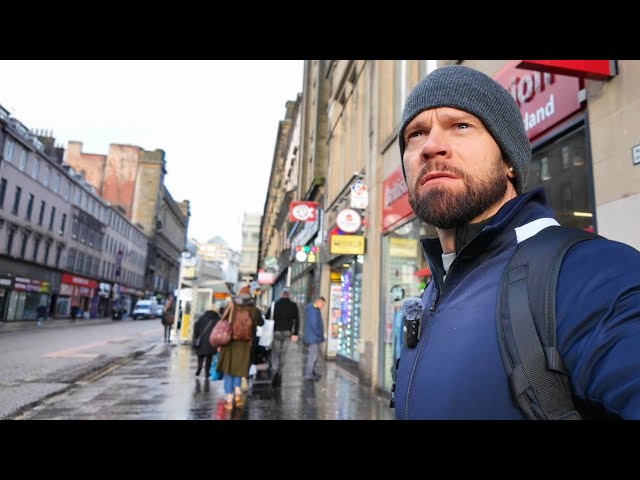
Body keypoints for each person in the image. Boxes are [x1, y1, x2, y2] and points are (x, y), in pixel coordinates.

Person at [393, 65, 640, 420]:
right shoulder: (434, 290)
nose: (431, 146)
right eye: (416, 134)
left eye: (461, 126)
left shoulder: (590, 274)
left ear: (509, 159)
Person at [216, 292, 263, 410]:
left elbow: (223, 321)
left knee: (228, 369)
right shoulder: (254, 311)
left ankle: (229, 398)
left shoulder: (231, 307)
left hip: (229, 343)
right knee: (239, 368)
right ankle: (237, 391)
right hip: (245, 344)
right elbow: (261, 323)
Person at [264, 289, 299, 387]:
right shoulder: (293, 305)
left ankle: (274, 371)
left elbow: (266, 317)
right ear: (289, 295)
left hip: (276, 332)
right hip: (288, 332)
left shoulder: (275, 304)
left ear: (281, 294)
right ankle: (280, 374)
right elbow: (297, 320)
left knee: (275, 353)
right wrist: (295, 333)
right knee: (283, 354)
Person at [192, 307, 220, 377]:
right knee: (209, 357)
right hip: (211, 341)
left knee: (200, 355)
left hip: (201, 340)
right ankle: (207, 372)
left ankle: (199, 367)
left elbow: (196, 327)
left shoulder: (202, 317)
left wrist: (196, 336)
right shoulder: (217, 319)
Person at [303, 296, 326, 381]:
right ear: (318, 302)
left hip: (313, 337)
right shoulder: (313, 310)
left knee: (314, 356)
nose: (323, 306)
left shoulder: (314, 309)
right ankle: (308, 374)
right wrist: (319, 334)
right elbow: (314, 324)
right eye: (322, 304)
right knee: (313, 356)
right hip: (314, 337)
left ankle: (312, 372)